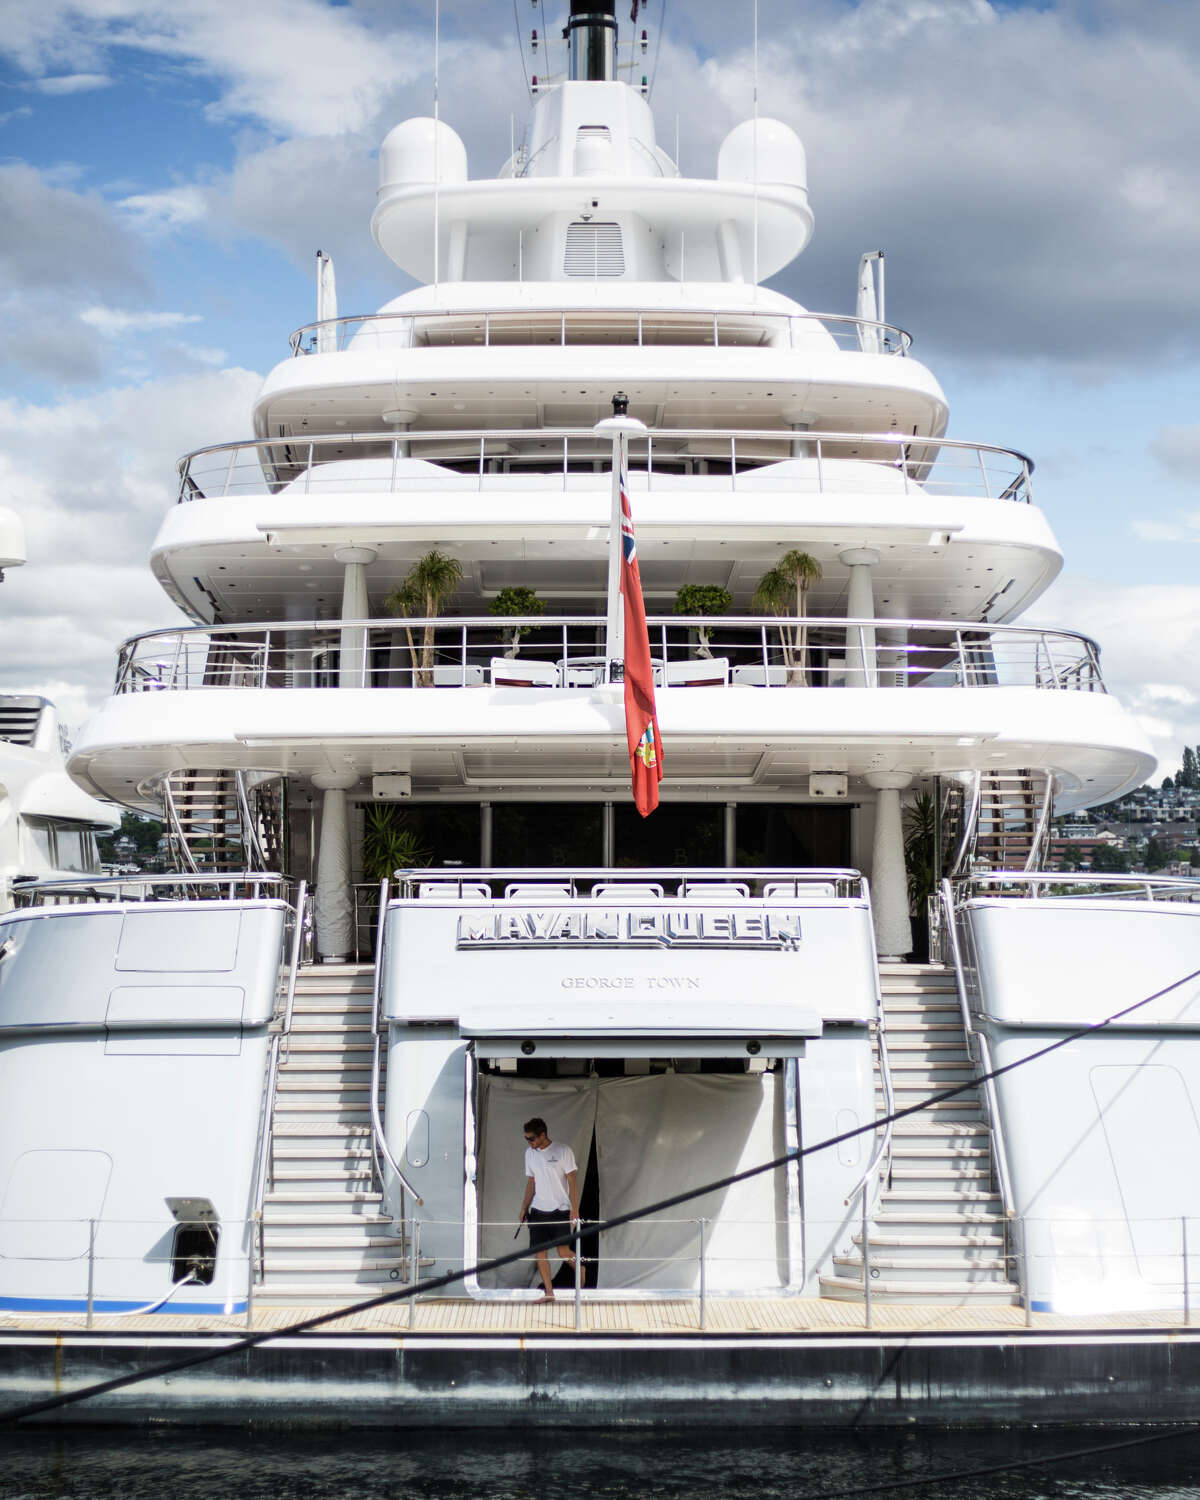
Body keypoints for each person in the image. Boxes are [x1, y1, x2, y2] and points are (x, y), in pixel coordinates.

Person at [518, 1116, 581, 1301]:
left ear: (542, 1135)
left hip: (560, 1208)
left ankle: (582, 1268)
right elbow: (531, 1182)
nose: (529, 1142)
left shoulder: (563, 1151)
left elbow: (573, 1181)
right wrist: (524, 1207)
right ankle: (549, 1292)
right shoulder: (529, 1154)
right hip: (538, 1209)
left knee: (563, 1252)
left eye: (531, 1138)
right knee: (540, 1252)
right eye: (526, 1139)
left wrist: (574, 1209)